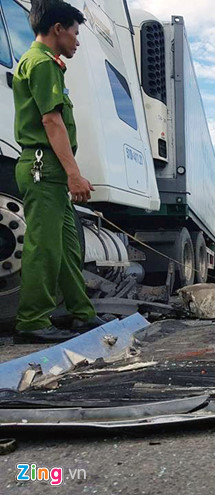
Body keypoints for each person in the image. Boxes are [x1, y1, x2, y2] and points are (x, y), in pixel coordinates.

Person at [12, 1, 105, 344]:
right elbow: (51, 121)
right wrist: (73, 173)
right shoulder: (42, 63)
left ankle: (81, 313)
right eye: (75, 33)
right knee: (45, 247)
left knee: (67, 247)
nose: (77, 41)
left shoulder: (43, 63)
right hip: (43, 165)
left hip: (49, 168)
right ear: (58, 29)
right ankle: (31, 321)